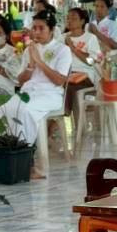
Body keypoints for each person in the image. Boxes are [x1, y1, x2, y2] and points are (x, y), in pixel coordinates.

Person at [17, 10, 72, 177]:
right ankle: (8, 159)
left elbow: (59, 81)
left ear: (52, 29)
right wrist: (31, 66)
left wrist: (40, 62)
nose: (37, 32)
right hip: (29, 92)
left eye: (41, 28)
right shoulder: (29, 50)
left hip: (51, 95)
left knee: (25, 110)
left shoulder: (62, 50)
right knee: (4, 108)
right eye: (34, 28)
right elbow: (20, 81)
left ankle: (28, 164)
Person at [62, 6, 101, 114]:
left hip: (84, 76)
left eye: (73, 18)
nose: (69, 21)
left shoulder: (90, 38)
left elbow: (91, 62)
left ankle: (63, 115)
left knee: (69, 88)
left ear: (82, 21)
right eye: (68, 18)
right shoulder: (62, 38)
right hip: (65, 75)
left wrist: (72, 48)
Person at [0, 14, 21, 97]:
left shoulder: (14, 53)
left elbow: (19, 79)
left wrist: (5, 72)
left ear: (6, 36)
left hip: (8, 93)